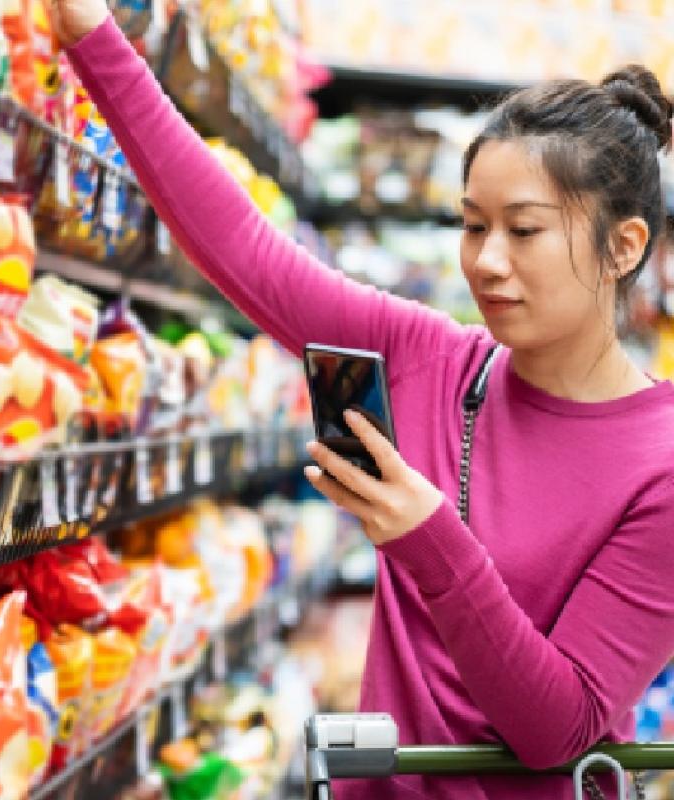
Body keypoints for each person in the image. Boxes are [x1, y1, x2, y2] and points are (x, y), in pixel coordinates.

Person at [46, 2, 674, 798]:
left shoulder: (662, 464)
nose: (485, 261)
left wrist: (429, 540)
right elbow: (243, 247)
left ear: (624, 247)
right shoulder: (434, 360)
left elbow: (559, 730)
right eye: (472, 226)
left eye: (524, 231)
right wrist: (94, 42)